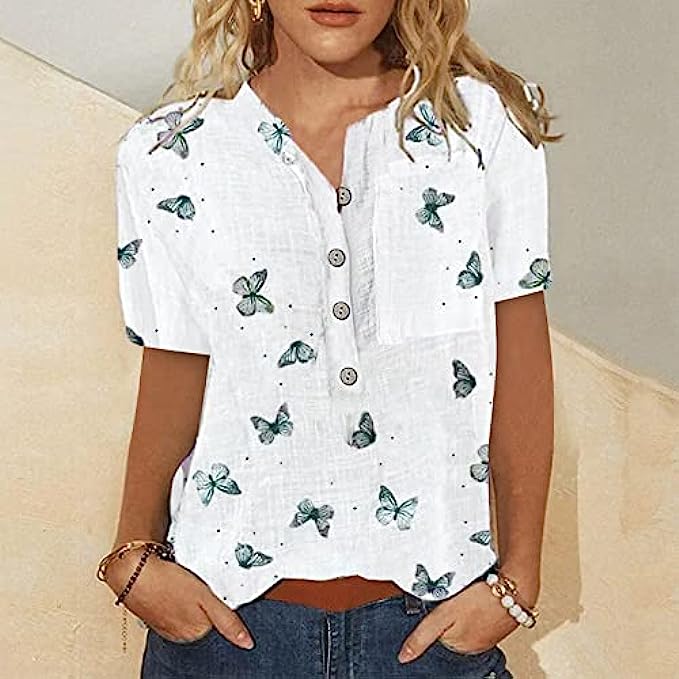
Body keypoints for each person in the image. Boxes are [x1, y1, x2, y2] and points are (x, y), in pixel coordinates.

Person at [100, 0, 559, 676]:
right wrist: (132, 554)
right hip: (226, 629)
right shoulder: (170, 152)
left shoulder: (477, 129)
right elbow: (177, 367)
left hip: (429, 629)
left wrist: (518, 579)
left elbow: (520, 363)